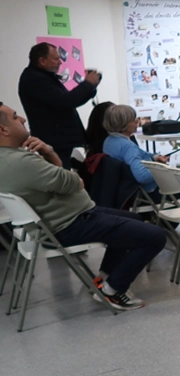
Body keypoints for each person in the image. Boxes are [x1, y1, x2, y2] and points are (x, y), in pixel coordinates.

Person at [0, 101, 165, 310]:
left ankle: (104, 277)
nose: (22, 119)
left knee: (133, 220)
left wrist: (52, 158)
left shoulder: (8, 159)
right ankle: (113, 290)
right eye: (15, 117)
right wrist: (50, 154)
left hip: (63, 220)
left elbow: (67, 181)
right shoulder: (22, 162)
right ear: (3, 129)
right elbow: (76, 183)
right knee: (156, 236)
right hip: (70, 224)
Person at [17, 42, 101, 170]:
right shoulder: (35, 79)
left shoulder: (43, 77)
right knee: (59, 179)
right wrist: (88, 85)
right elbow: (66, 101)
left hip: (58, 141)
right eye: (56, 58)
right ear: (42, 60)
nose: (60, 62)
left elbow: (70, 102)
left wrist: (91, 87)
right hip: (53, 142)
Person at [101, 105, 170, 201]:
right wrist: (161, 169)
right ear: (124, 124)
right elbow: (142, 176)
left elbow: (139, 152)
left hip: (123, 189)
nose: (137, 122)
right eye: (133, 120)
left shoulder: (109, 141)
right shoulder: (128, 146)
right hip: (150, 191)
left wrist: (155, 157)